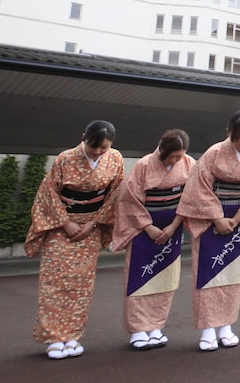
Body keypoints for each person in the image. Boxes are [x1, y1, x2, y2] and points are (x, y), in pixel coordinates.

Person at [25, 120, 124, 360]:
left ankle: (72, 336)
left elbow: (115, 194)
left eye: (104, 148)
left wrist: (93, 223)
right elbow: (48, 193)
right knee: (55, 282)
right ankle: (53, 338)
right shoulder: (65, 158)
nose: (99, 152)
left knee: (81, 285)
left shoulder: (115, 159)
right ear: (84, 138)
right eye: (94, 147)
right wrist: (65, 222)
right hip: (61, 226)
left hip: (91, 227)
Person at [176, 110, 240, 352]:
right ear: (228, 132)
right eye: (236, 137)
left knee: (233, 275)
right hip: (210, 221)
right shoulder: (213, 153)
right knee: (208, 274)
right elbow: (198, 187)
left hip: (239, 220)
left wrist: (238, 218)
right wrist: (217, 218)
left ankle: (226, 326)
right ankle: (208, 329)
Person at [112, 129, 195, 350]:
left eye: (180, 156)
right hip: (143, 230)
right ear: (162, 150)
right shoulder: (144, 165)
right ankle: (138, 329)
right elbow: (129, 201)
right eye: (173, 156)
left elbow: (190, 199)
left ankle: (156, 326)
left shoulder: (189, 164)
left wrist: (174, 226)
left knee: (165, 279)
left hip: (172, 228)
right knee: (139, 277)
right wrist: (148, 228)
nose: (177, 160)